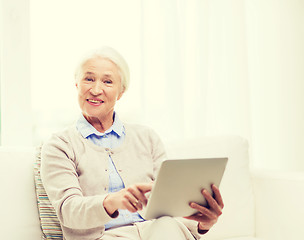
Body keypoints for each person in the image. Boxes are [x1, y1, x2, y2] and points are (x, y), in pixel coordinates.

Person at [40, 46, 224, 240]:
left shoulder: (147, 137)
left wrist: (203, 223)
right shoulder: (59, 145)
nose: (96, 90)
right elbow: (68, 211)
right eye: (89, 79)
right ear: (77, 84)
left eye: (108, 81)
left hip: (158, 232)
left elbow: (170, 204)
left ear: (121, 92)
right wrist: (112, 201)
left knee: (166, 225)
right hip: (105, 237)